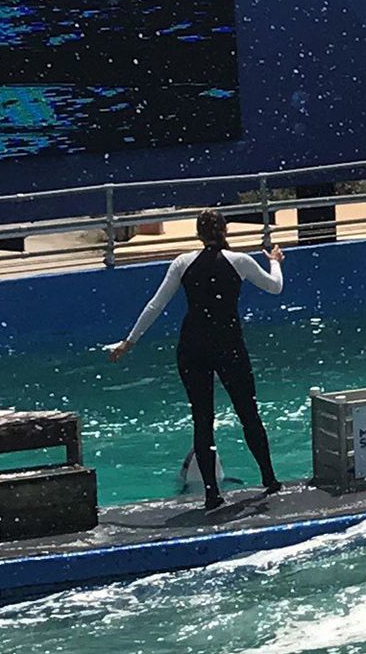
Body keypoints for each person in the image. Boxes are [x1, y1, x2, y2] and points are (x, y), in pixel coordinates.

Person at [108, 210, 285, 510]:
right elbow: (274, 287)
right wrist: (274, 261)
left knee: (203, 420)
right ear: (225, 230)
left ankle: (211, 494)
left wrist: (130, 341)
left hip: (192, 347)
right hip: (228, 345)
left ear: (198, 234)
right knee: (248, 413)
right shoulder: (240, 261)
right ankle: (269, 480)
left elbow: (156, 304)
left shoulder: (182, 263)